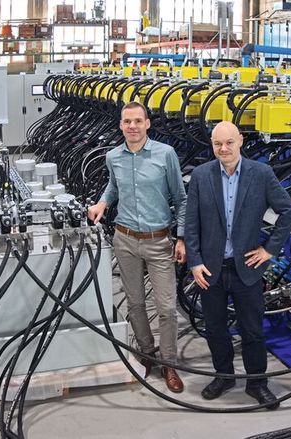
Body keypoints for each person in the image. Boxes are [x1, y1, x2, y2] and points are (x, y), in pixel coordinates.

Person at [184, 121, 291, 410]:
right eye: (217, 143)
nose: (223, 149)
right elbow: (191, 223)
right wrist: (195, 262)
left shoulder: (261, 174)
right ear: (212, 144)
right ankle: (225, 377)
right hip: (210, 270)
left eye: (229, 142)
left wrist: (269, 249)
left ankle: (257, 383)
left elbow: (287, 211)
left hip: (246, 267)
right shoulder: (201, 175)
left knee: (252, 330)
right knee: (215, 327)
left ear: (241, 141)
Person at [87, 102, 187, 393]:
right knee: (135, 303)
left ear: (147, 124)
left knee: (167, 307)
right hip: (125, 238)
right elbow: (114, 186)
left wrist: (180, 237)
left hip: (159, 241)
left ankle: (170, 362)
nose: (132, 126)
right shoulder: (113, 156)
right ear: (120, 125)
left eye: (137, 121)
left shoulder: (165, 155)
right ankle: (147, 353)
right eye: (127, 121)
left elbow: (181, 198)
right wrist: (103, 202)